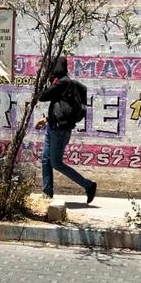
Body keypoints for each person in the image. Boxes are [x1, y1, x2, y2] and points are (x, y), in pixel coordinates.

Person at [35, 56, 97, 203]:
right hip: (53, 126)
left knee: (56, 163)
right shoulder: (63, 83)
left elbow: (42, 96)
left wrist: (42, 80)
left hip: (60, 130)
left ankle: (88, 185)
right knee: (46, 160)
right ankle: (47, 193)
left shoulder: (63, 82)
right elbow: (62, 108)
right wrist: (48, 119)